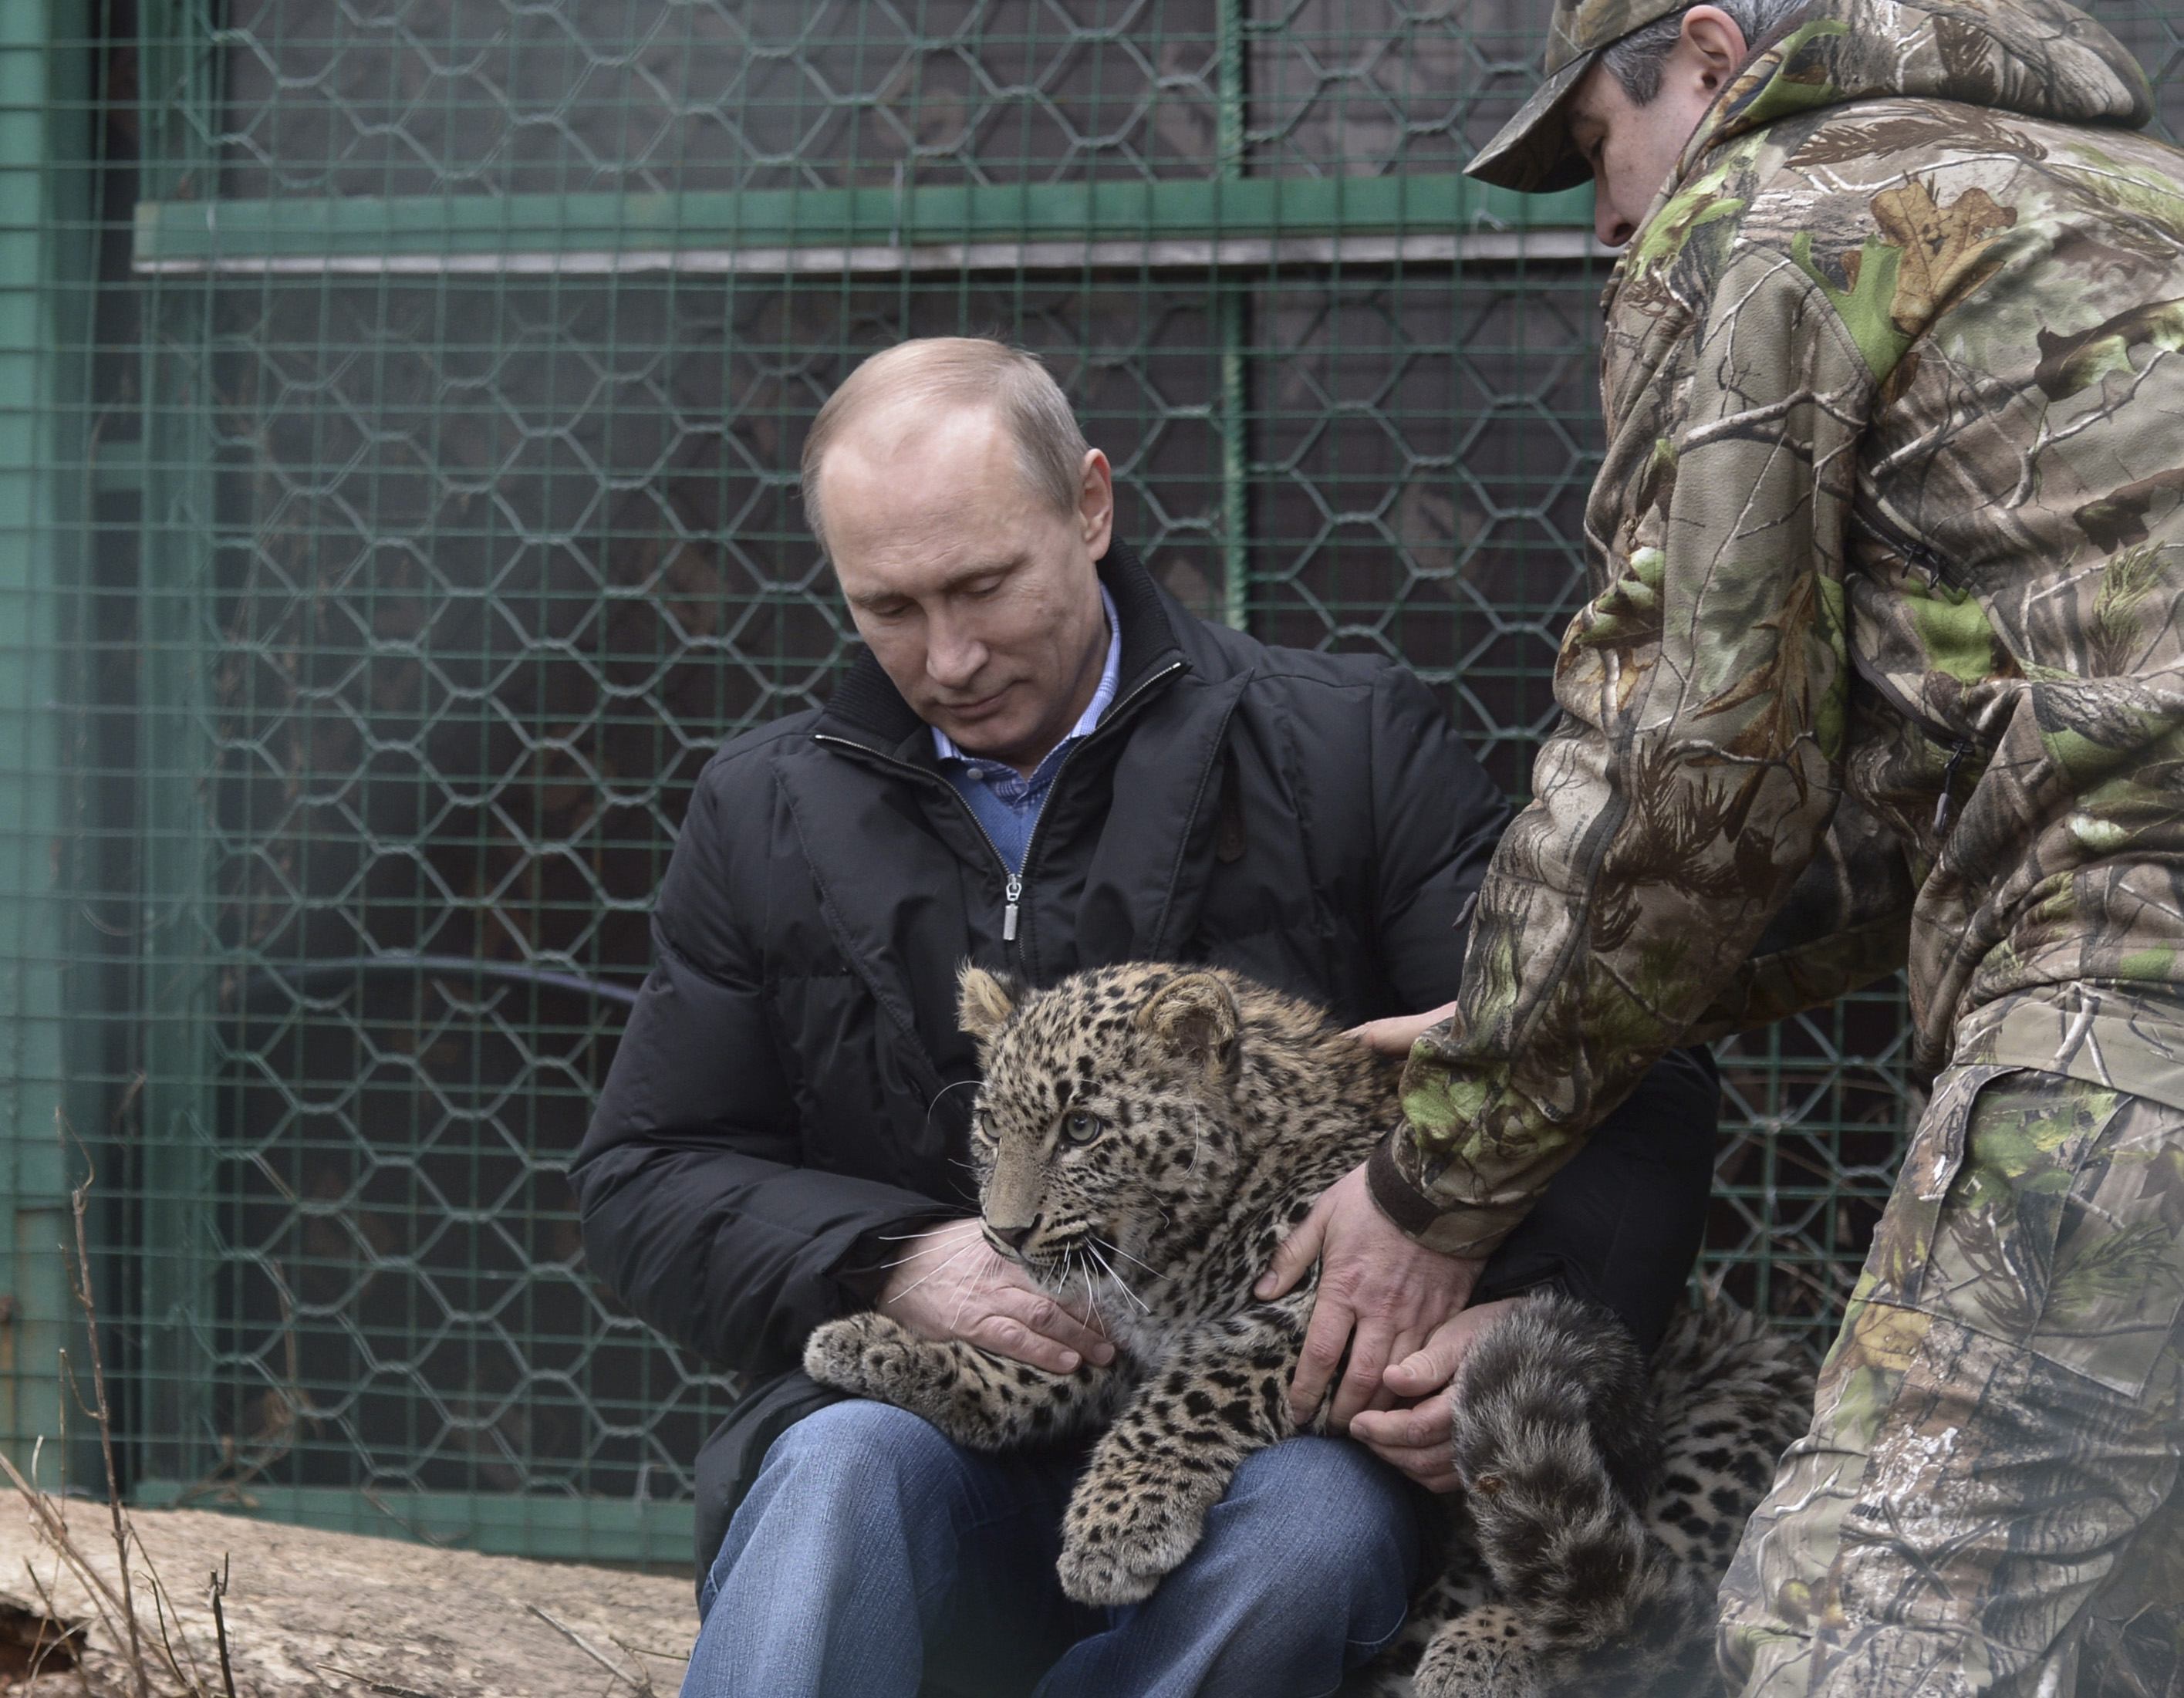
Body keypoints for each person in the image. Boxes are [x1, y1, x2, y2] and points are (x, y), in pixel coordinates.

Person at [569, 336, 1723, 1698]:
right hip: (954, 1423)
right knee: (832, 1473)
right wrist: (893, 1258)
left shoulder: (1342, 745)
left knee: (1307, 1535)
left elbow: (1618, 1062)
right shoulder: (763, 811)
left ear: (1092, 506)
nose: (945, 655)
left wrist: (1519, 1308)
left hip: (1273, 1440)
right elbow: (644, 1175)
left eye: (984, 584)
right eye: (885, 607)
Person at [1268, 0, 2184, 1692]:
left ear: (1705, 52)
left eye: (1600, 158)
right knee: (2126, 1638)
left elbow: (1691, 765)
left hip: (2132, 1008)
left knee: (1845, 1641)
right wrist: (1530, 1032)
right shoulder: (2132, 193)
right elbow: (1968, 764)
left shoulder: (1776, 213)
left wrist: (1442, 1164)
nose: (1606, 223)